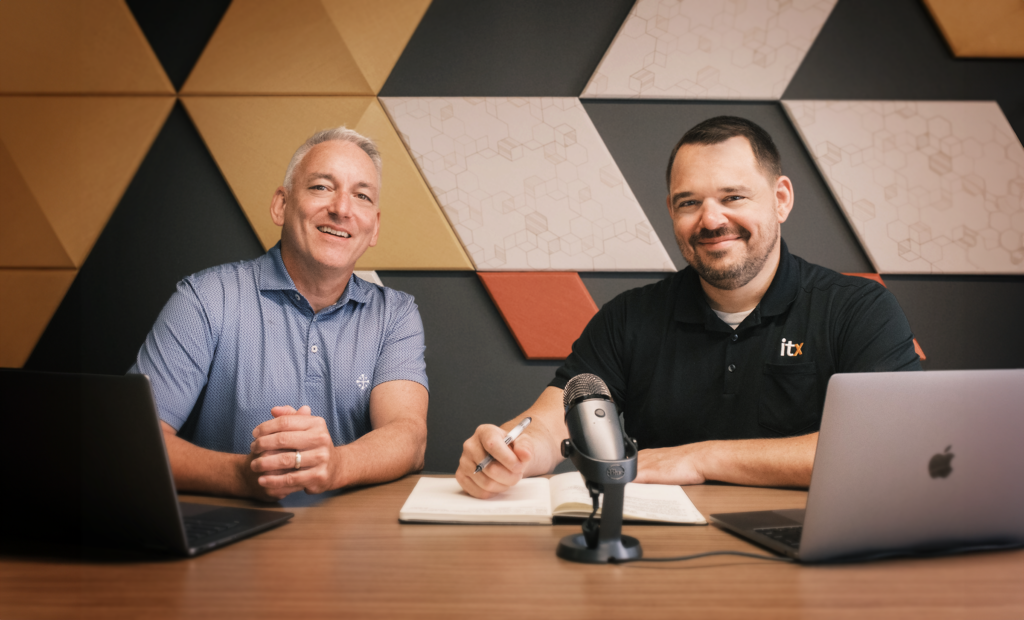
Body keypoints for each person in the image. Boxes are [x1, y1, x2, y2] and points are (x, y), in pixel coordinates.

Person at [457, 116, 921, 498]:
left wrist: (700, 458)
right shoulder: (629, 318)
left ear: (780, 199)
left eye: (733, 197)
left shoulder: (858, 309)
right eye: (689, 203)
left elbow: (886, 445)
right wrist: (511, 451)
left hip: (804, 548)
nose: (711, 219)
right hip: (657, 555)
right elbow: (557, 415)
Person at [131, 127, 429, 501]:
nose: (341, 209)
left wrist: (334, 465)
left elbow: (409, 437)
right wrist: (245, 475)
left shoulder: (395, 316)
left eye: (362, 195)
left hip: (352, 548)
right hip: (229, 545)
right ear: (281, 205)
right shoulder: (205, 299)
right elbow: (134, 445)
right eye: (322, 187)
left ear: (374, 228)